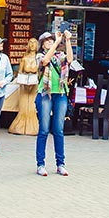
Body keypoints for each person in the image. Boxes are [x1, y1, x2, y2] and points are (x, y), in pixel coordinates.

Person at [35, 29, 73, 177]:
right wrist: (57, 42)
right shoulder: (40, 55)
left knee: (59, 130)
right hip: (45, 94)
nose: (50, 41)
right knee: (44, 130)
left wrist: (68, 40)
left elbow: (69, 60)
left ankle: (60, 164)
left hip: (61, 93)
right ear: (42, 44)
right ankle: (40, 164)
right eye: (47, 40)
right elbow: (45, 61)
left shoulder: (60, 56)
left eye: (52, 39)